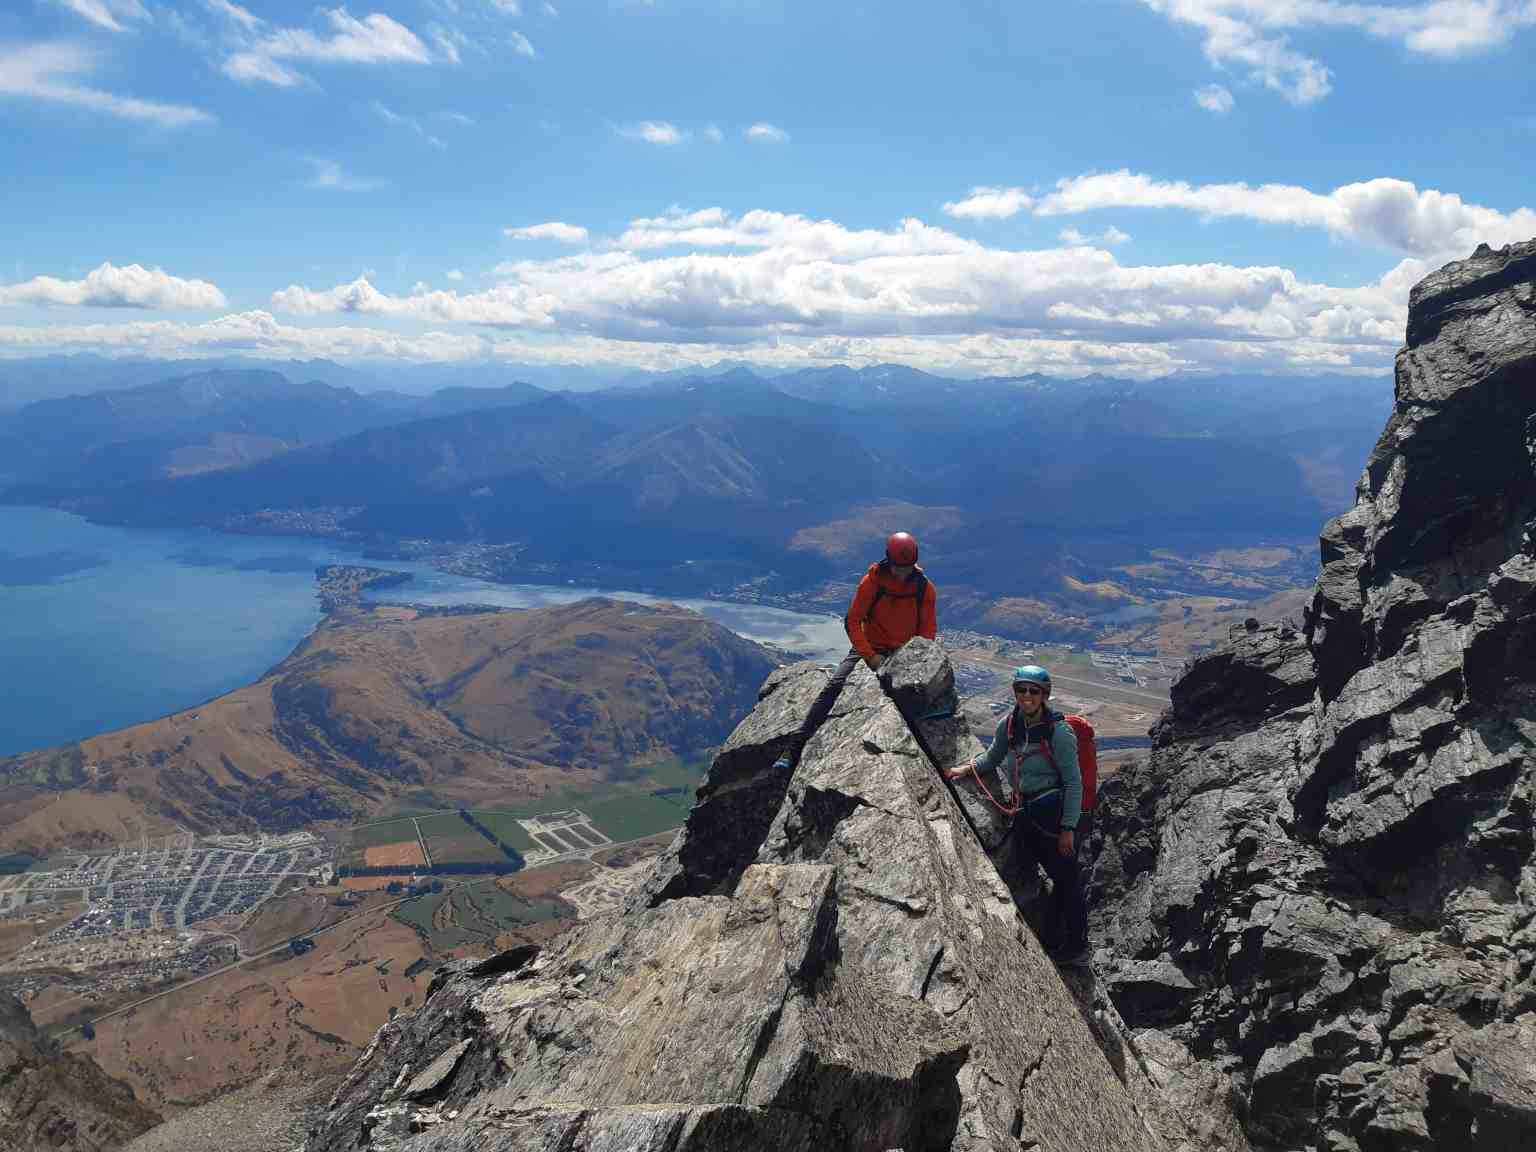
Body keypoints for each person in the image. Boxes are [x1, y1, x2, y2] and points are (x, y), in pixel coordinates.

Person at [945, 664, 1087, 960]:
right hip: (1025, 810)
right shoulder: (1009, 724)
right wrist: (965, 770)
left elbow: (1074, 783)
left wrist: (1068, 828)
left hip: (1052, 814)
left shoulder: (1058, 733)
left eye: (1034, 691)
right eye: (1021, 690)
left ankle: (1076, 948)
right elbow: (993, 756)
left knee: (1067, 881)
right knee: (1038, 877)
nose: (1027, 696)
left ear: (1044, 695)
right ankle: (1049, 937)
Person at [773, 531, 938, 771]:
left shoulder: (924, 589)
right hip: (871, 648)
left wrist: (913, 659)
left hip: (906, 651)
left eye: (907, 567)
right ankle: (794, 747)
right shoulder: (872, 583)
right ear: (888, 561)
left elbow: (928, 631)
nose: (902, 573)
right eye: (898, 567)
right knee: (834, 686)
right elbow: (853, 621)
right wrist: (870, 657)